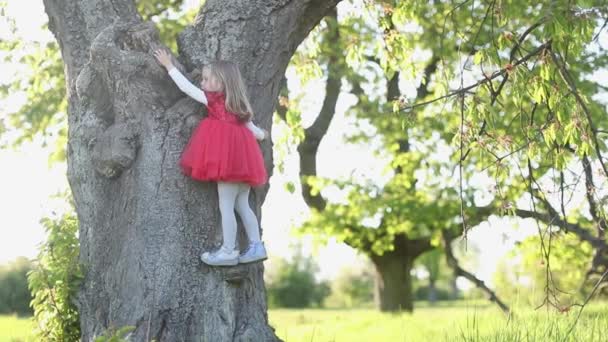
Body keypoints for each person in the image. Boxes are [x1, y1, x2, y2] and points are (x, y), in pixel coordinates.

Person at [154, 49, 268, 266]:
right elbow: (253, 130)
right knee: (242, 204)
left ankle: (228, 251)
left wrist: (169, 67)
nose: (203, 83)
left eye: (207, 79)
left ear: (221, 82)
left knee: (226, 205)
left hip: (227, 163)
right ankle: (256, 245)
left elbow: (186, 88)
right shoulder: (238, 106)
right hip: (244, 163)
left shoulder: (214, 101)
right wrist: (263, 134)